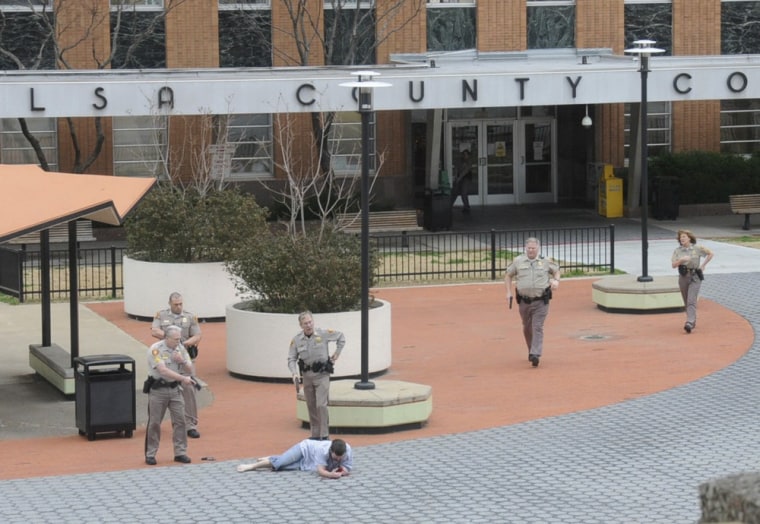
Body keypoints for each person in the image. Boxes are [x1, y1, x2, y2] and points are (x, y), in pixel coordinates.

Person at [151, 292, 203, 439]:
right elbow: (154, 330)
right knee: (158, 388)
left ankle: (191, 424)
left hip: (183, 356)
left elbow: (198, 335)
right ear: (170, 304)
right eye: (176, 304)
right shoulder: (161, 315)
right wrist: (171, 338)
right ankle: (154, 422)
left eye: (181, 304)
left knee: (189, 387)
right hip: (166, 357)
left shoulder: (190, 316)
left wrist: (184, 343)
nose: (179, 307)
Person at [288, 311, 345, 440]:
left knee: (321, 405)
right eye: (305, 323)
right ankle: (315, 434)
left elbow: (341, 337)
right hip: (307, 376)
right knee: (311, 406)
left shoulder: (323, 334)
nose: (309, 325)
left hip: (322, 375)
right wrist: (294, 373)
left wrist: (336, 355)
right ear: (301, 325)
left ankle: (324, 435)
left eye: (310, 322)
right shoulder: (296, 340)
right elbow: (291, 358)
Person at [144, 325, 196, 465]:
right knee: (155, 422)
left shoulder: (180, 349)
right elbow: (163, 370)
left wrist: (182, 361)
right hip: (158, 390)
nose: (178, 342)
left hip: (174, 390)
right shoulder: (156, 350)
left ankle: (180, 452)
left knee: (180, 421)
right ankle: (151, 453)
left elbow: (190, 369)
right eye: (175, 339)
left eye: (179, 339)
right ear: (166, 338)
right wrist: (183, 378)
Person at [505, 237, 560, 368]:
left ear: (538, 248)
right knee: (527, 327)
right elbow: (508, 275)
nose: (531, 250)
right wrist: (508, 292)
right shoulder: (518, 261)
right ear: (525, 248)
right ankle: (531, 350)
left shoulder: (545, 261)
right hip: (524, 301)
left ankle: (536, 353)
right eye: (529, 248)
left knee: (537, 326)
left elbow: (556, 270)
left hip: (541, 301)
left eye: (533, 248)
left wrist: (556, 280)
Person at [236, 438, 353, 479]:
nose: (338, 460)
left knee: (282, 467)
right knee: (281, 462)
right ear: (331, 451)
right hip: (303, 450)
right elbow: (321, 471)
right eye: (335, 457)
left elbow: (346, 468)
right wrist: (330, 475)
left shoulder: (347, 451)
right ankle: (251, 466)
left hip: (307, 463)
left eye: (340, 457)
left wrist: (340, 472)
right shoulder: (322, 451)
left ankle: (271, 458)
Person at [671, 229, 714, 333]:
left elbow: (710, 254)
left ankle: (689, 322)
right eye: (681, 237)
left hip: (695, 276)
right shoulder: (677, 251)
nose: (682, 239)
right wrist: (681, 260)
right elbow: (673, 265)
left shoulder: (697, 248)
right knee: (686, 300)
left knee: (691, 300)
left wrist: (703, 265)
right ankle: (692, 320)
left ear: (689, 238)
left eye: (684, 237)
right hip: (683, 276)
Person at [450, 149, 472, 213]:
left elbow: (466, 171)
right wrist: (456, 176)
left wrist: (459, 178)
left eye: (466, 154)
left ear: (468, 155)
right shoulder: (459, 160)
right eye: (464, 154)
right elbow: (456, 168)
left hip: (466, 178)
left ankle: (466, 207)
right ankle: (449, 206)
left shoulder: (469, 161)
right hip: (459, 177)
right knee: (454, 192)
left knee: (463, 193)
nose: (465, 156)